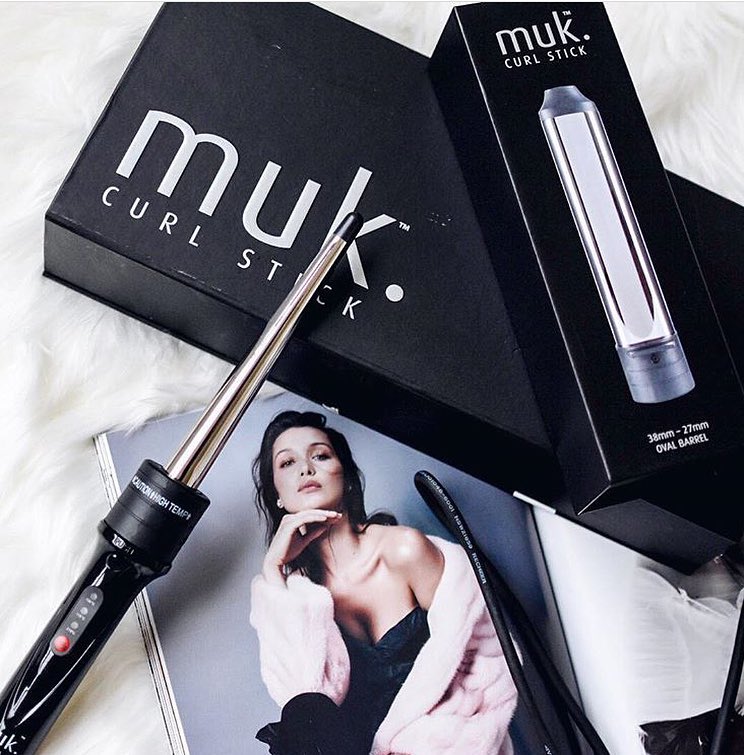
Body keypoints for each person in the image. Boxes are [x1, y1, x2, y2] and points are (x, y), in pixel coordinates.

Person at [249, 410, 517, 755]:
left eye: (320, 455)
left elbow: (488, 663)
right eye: (287, 463)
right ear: (278, 495)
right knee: (302, 716)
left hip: (448, 746)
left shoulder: (403, 550)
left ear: (347, 477)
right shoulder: (296, 594)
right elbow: (302, 700)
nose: (305, 468)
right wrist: (274, 570)